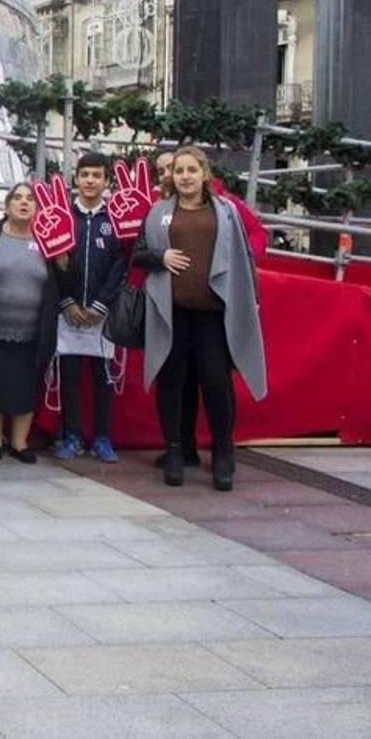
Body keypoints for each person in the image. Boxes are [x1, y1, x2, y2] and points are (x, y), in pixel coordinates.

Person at [135, 146, 267, 491]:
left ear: (205, 174)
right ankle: (175, 450)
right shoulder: (158, 212)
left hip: (213, 314)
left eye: (191, 170)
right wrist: (160, 256)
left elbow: (245, 256)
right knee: (171, 381)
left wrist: (249, 299)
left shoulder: (227, 212)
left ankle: (223, 451)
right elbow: (138, 254)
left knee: (215, 381)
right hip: (171, 313)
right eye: (179, 170)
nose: (185, 176)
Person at [0, 182, 58, 464]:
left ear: (38, 207)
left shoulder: (49, 237)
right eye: (17, 197)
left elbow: (64, 278)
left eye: (30, 198)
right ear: (7, 205)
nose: (24, 202)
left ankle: (19, 442)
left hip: (33, 331)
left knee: (26, 386)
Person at [52, 151, 128, 462]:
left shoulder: (116, 220)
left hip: (102, 315)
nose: (90, 181)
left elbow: (121, 264)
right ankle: (70, 436)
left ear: (107, 181)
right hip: (67, 313)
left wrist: (101, 304)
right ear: (76, 179)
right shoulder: (62, 217)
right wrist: (67, 301)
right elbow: (52, 262)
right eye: (85, 175)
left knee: (102, 378)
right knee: (69, 377)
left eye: (97, 175)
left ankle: (102, 437)